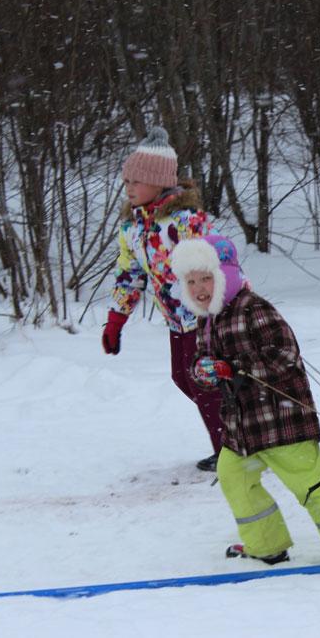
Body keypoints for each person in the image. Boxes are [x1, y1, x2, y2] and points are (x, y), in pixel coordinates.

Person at [170, 235, 320, 565]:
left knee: (309, 482)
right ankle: (266, 545)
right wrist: (203, 371)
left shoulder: (253, 308)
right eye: (190, 282)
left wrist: (235, 367)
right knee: (234, 477)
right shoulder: (206, 320)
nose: (199, 288)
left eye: (206, 278)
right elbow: (202, 365)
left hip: (281, 419)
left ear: (225, 276)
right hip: (242, 426)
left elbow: (285, 353)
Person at [102, 126, 223, 471]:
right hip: (176, 320)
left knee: (204, 381)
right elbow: (129, 275)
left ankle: (232, 449)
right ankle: (238, 431)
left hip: (204, 316)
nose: (129, 188)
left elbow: (217, 262)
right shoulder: (132, 227)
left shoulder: (185, 221)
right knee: (184, 378)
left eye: (136, 182)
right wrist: (115, 321)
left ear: (158, 182)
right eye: (126, 182)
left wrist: (217, 304)